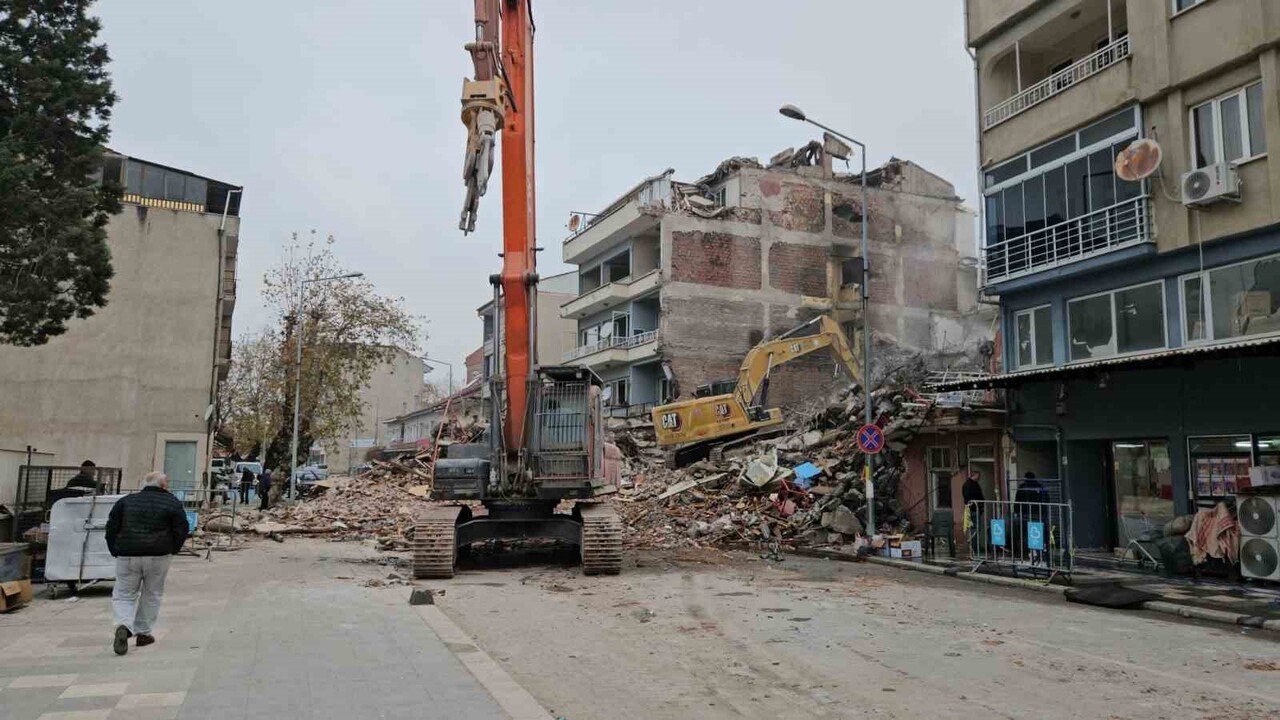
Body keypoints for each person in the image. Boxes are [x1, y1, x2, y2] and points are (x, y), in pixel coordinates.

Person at [105, 471, 188, 655]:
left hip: (128, 553)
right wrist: (173, 548)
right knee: (152, 593)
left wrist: (114, 548)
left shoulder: (126, 501)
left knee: (124, 593)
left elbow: (111, 526)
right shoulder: (172, 502)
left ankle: (123, 625)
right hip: (158, 554)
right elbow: (182, 528)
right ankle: (143, 633)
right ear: (164, 485)